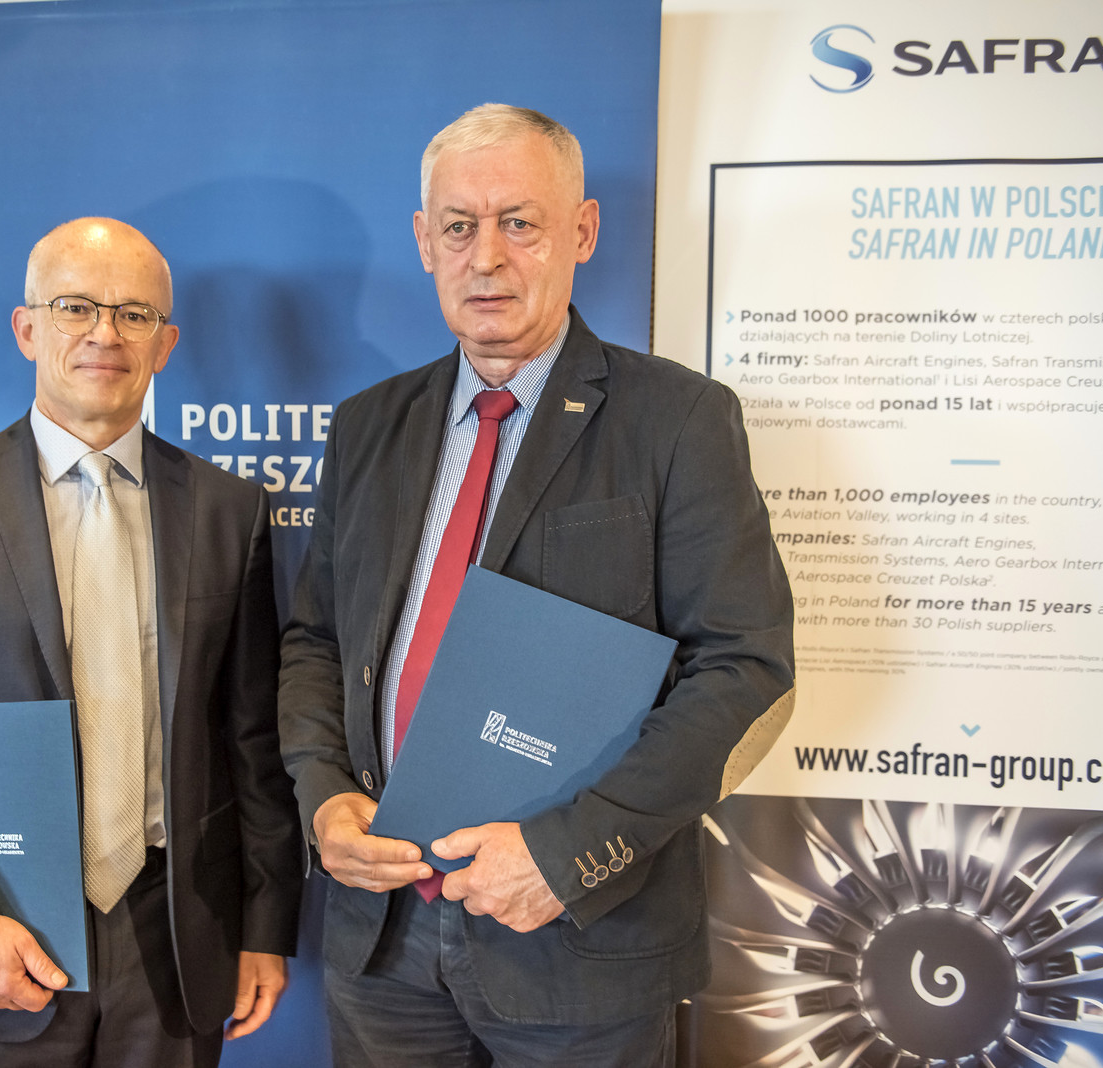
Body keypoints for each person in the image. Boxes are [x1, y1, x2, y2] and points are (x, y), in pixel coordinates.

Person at [279, 104, 796, 1066]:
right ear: (424, 241)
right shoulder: (367, 426)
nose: (487, 258)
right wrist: (322, 797)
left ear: (582, 232)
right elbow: (317, 641)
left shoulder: (678, 419)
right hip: (381, 936)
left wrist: (566, 857)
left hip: (582, 938)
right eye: (459, 227)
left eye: (520, 222)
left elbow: (744, 669)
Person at [0, 217, 303, 1067]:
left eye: (134, 314)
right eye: (75, 307)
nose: (104, 334)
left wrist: (263, 926)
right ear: (27, 328)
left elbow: (251, 741)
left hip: (174, 944)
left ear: (165, 343)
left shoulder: (231, 511)